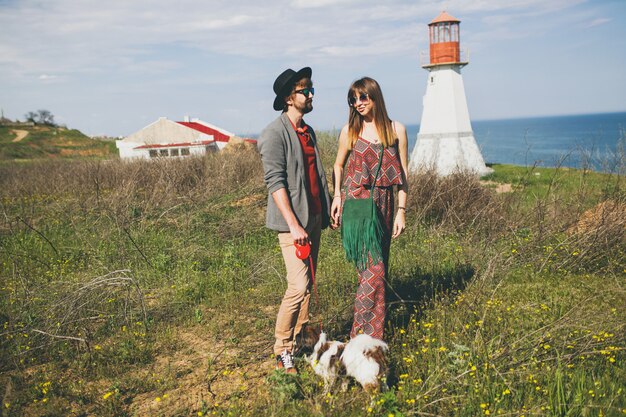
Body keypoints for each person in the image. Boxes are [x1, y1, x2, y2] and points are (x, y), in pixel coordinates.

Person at [257, 67, 332, 373]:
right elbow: (275, 182)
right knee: (298, 285)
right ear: (290, 98)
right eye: (305, 91)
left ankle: (301, 340)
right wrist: (293, 224)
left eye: (311, 89)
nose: (310, 94)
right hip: (294, 224)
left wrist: (326, 212)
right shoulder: (274, 134)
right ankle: (282, 349)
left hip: (313, 217)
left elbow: (317, 176)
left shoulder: (308, 131)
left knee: (309, 283)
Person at [331, 77, 408, 340]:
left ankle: (372, 341)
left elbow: (404, 173)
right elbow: (338, 165)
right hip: (358, 206)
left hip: (385, 206)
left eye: (363, 97)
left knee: (377, 272)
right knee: (374, 271)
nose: (358, 103)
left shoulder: (396, 129)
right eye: (353, 99)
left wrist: (401, 210)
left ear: (375, 96)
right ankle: (359, 339)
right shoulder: (349, 131)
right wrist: (337, 197)